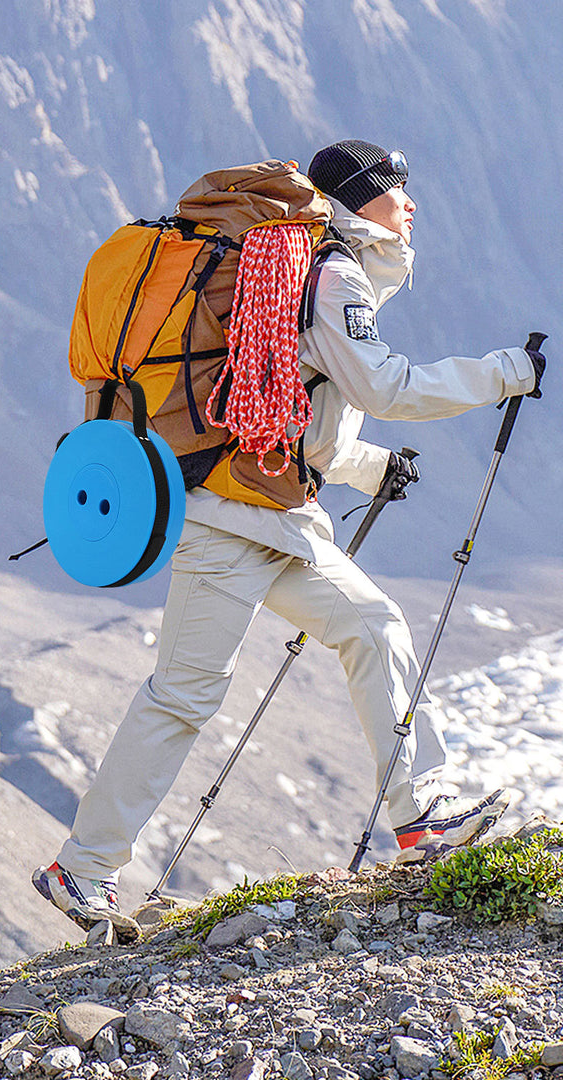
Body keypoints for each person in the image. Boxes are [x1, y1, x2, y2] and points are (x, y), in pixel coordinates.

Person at [33, 140, 547, 942]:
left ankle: (418, 821)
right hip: (233, 518)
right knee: (185, 693)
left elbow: (291, 416)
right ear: (358, 200)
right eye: (394, 192)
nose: (409, 206)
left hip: (267, 513)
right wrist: (502, 374)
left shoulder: (297, 267)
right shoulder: (331, 273)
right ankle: (82, 870)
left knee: (373, 628)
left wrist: (371, 468)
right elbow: (385, 386)